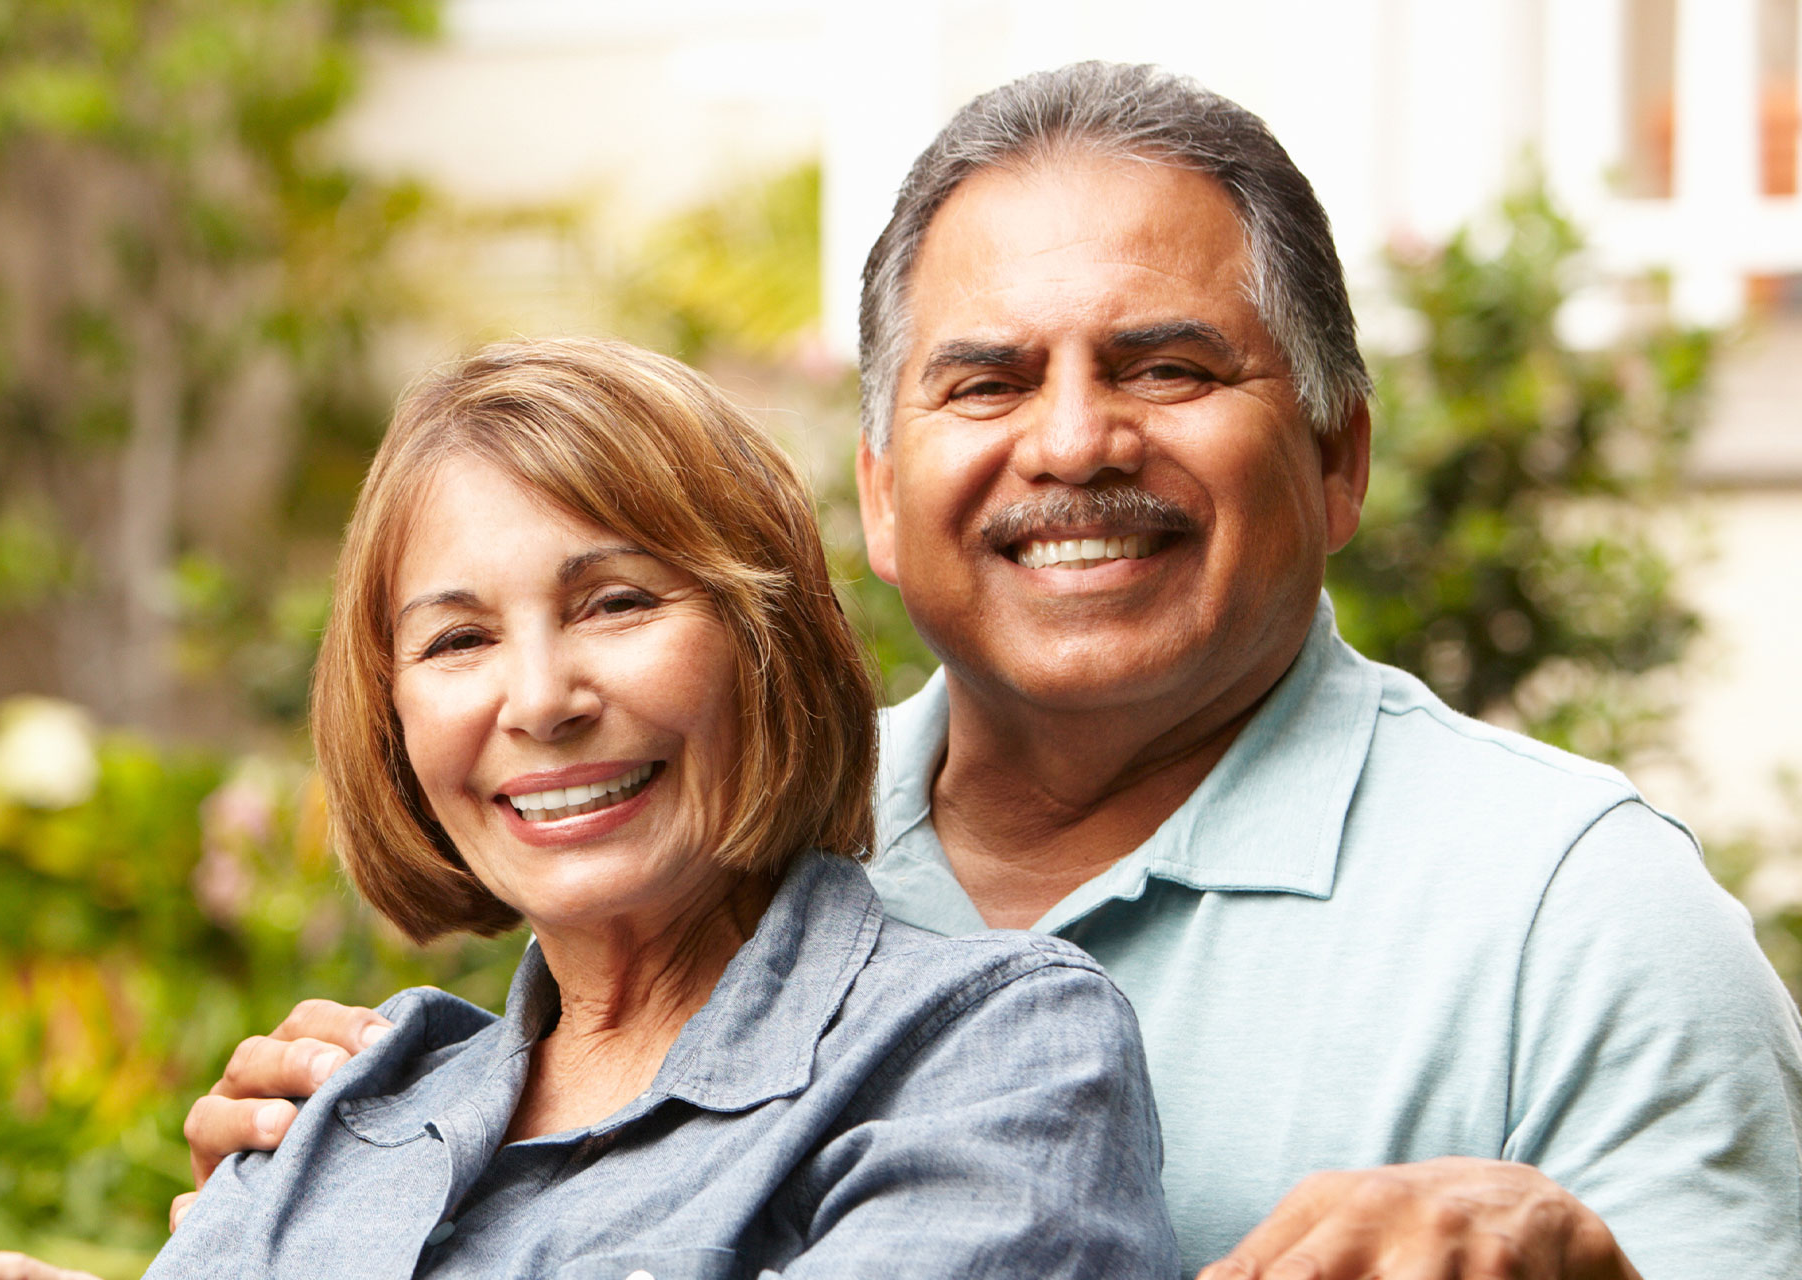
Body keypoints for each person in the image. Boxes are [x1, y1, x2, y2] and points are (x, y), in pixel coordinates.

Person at [181, 65, 1802, 1280]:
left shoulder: (1577, 912)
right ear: (879, 490)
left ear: (1337, 459)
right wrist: (342, 1184)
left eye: (1169, 366)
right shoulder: (708, 841)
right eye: (990, 380)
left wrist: (1606, 1270)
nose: (1078, 440)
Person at [0, 337, 1173, 1280]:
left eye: (618, 603)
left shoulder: (992, 1049)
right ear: (395, 718)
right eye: (458, 638)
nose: (538, 699)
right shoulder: (344, 1108)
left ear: (767, 641)